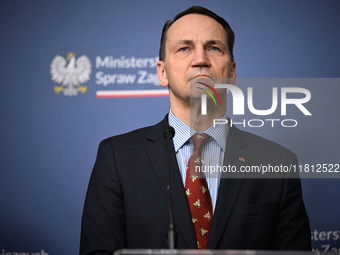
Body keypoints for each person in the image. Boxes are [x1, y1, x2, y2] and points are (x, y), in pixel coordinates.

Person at [80, 6, 311, 255]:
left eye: (213, 48)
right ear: (162, 72)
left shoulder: (278, 162)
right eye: (184, 48)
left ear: (232, 72)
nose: (200, 59)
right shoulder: (117, 157)